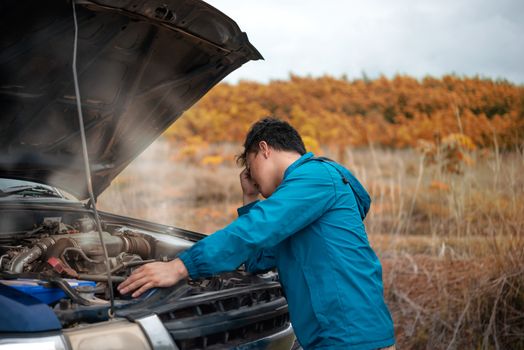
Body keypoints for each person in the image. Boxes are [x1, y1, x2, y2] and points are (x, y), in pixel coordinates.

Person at [118, 117, 396, 350]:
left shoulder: (317, 178)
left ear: (264, 149)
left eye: (250, 169)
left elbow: (255, 228)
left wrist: (181, 267)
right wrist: (250, 197)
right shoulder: (297, 204)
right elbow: (258, 259)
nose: (252, 178)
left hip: (351, 338)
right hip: (332, 337)